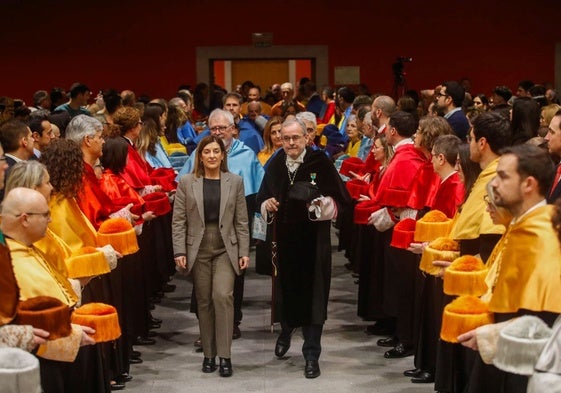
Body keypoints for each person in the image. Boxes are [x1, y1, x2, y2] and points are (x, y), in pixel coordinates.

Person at [458, 144, 561, 393]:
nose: (493, 185)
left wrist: (494, 335)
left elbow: (542, 319)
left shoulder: (542, 234)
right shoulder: (522, 225)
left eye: (503, 177)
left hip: (524, 366)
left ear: (529, 185)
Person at [256, 118, 352, 378]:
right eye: (285, 139)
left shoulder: (320, 163)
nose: (290, 143)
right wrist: (267, 205)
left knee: (314, 299)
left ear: (307, 137)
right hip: (284, 243)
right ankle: (286, 332)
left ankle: (312, 355)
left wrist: (321, 206)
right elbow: (261, 198)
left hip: (314, 243)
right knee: (287, 295)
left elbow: (342, 200)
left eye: (295, 138)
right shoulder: (275, 164)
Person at [172, 135, 249, 378]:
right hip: (198, 248)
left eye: (217, 151)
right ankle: (209, 353)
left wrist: (244, 251)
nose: (213, 155)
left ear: (223, 155)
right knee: (203, 302)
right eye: (208, 152)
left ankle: (225, 356)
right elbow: (178, 221)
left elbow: (242, 221)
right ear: (200, 156)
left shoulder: (235, 181)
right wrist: (179, 251)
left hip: (227, 247)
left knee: (223, 296)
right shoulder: (186, 182)